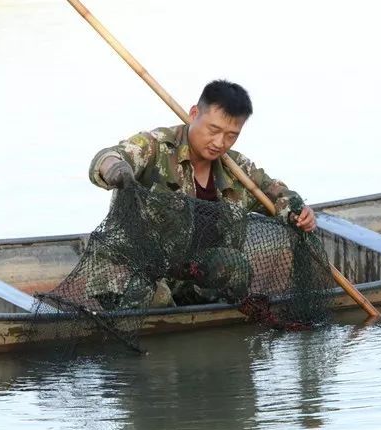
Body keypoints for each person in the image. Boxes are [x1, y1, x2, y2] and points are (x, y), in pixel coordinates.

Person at [87, 80, 316, 307]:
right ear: (194, 113)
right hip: (133, 267)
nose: (219, 142)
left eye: (231, 135)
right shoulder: (155, 146)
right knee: (157, 299)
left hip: (186, 273)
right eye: (213, 130)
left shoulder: (237, 170)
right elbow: (107, 158)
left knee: (235, 268)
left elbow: (276, 192)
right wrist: (117, 170)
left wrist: (299, 212)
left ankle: (201, 318)